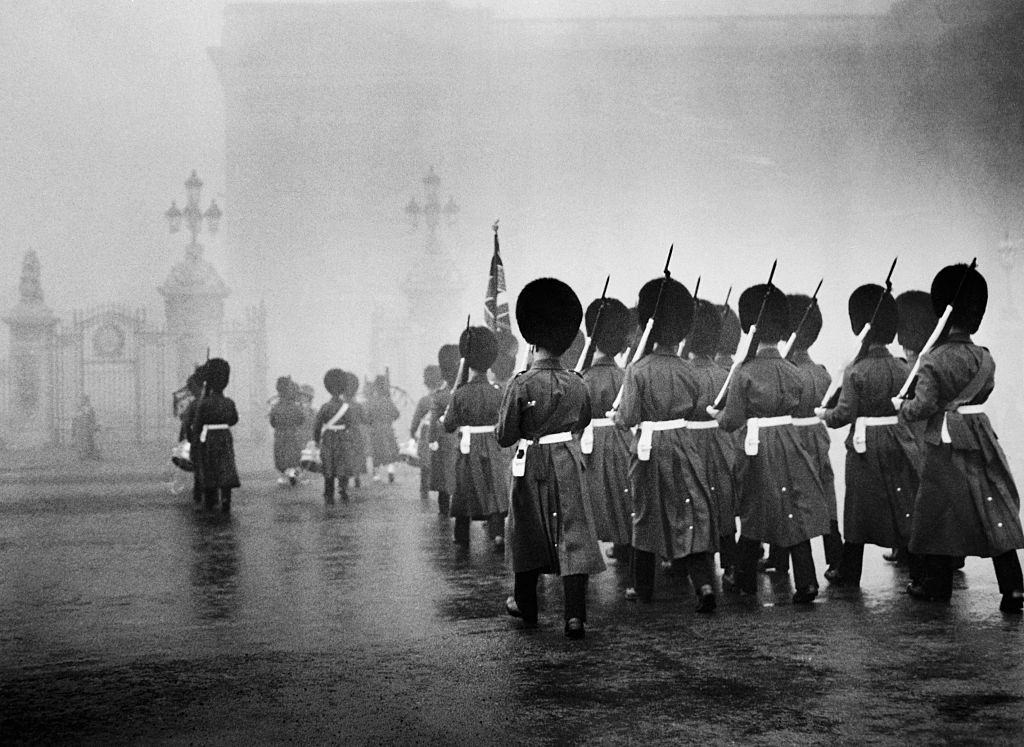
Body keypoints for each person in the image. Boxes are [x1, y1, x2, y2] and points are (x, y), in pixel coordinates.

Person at [897, 264, 1024, 612]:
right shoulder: (985, 358)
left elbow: (922, 405)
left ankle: (937, 586)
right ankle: (1013, 588)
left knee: (937, 511)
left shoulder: (933, 360)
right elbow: (985, 390)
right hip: (979, 434)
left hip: (945, 440)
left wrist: (902, 408)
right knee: (991, 507)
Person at [498, 277, 604, 639]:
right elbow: (584, 419)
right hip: (567, 459)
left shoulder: (521, 383)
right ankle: (575, 615)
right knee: (573, 530)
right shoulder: (578, 381)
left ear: (532, 339)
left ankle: (526, 603)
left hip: (531, 461)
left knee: (526, 529)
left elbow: (504, 435)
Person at [713, 284, 830, 604]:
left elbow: (732, 419)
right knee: (793, 509)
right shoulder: (794, 371)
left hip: (758, 445)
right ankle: (806, 580)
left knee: (754, 511)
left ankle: (745, 579)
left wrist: (716, 415)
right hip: (790, 442)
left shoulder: (744, 372)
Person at [614, 277, 717, 612]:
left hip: (649, 446)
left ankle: (642, 588)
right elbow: (699, 406)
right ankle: (702, 583)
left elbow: (628, 417)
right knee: (688, 508)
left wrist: (615, 416)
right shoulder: (689, 370)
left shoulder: (637, 370)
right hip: (684, 443)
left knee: (646, 514)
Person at [817, 284, 919, 588]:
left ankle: (850, 571)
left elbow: (844, 414)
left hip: (865, 445)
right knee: (902, 503)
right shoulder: (902, 368)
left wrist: (825, 415)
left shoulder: (856, 371)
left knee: (858, 510)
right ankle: (918, 568)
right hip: (898, 438)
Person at [763, 294, 842, 579]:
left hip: (791, 437)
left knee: (789, 499)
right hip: (817, 436)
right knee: (825, 497)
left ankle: (781, 558)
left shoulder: (784, 372)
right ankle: (836, 558)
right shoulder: (821, 373)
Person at [685, 299, 739, 586]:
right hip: (720, 441)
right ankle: (730, 565)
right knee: (722, 501)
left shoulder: (683, 371)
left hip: (690, 440)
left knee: (694, 503)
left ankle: (700, 572)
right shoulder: (723, 373)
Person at [442, 325, 509, 549]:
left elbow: (449, 425)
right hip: (491, 445)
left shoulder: (459, 393)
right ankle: (497, 532)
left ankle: (462, 535)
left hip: (468, 447)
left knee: (464, 490)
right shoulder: (498, 392)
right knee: (494, 488)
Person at [579, 296, 633, 563]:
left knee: (589, 502)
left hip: (589, 444)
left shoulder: (583, 378)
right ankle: (625, 549)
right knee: (622, 497)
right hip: (621, 441)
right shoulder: (625, 375)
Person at [191, 358, 240, 512]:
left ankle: (211, 499)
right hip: (224, 437)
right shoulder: (229, 402)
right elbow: (233, 419)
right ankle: (226, 497)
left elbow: (198, 425)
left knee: (210, 468)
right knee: (225, 467)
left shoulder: (204, 403)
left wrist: (194, 445)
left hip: (208, 439)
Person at [314, 369, 367, 502]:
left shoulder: (324, 407)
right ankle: (343, 488)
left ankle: (328, 492)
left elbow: (317, 425)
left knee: (328, 465)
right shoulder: (346, 407)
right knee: (342, 464)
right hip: (343, 439)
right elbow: (352, 424)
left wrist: (315, 441)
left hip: (328, 439)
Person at [429, 345, 461, 515]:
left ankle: (444, 508)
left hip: (444, 439)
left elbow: (434, 421)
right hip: (462, 438)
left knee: (443, 477)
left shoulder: (439, 395)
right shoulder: (464, 390)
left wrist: (431, 440)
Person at [410, 365, 444, 501]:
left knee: (425, 462)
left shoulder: (424, 401)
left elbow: (416, 419)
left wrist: (412, 433)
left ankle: (424, 490)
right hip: (441, 431)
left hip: (426, 431)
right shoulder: (446, 396)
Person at [270, 375, 306, 486]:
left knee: (281, 457)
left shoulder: (275, 407)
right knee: (294, 457)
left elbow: (273, 423)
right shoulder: (295, 407)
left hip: (280, 435)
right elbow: (301, 419)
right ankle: (294, 474)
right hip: (293, 434)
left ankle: (285, 475)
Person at [366, 374, 401, 483]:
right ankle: (391, 472)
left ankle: (376, 474)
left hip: (375, 430)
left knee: (376, 452)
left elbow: (367, 417)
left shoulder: (371, 401)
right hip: (387, 429)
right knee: (390, 451)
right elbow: (396, 414)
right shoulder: (388, 401)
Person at [72, 395, 100, 460]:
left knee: (87, 441)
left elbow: (92, 419)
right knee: (83, 441)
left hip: (86, 428)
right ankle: (84, 455)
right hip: (82, 429)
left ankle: (87, 455)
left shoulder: (88, 409)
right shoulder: (81, 410)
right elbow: (75, 420)